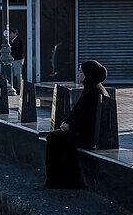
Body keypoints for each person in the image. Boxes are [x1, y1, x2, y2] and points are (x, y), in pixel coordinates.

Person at [45, 60, 109, 189]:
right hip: (81, 130)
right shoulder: (91, 88)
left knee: (55, 141)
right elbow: (79, 112)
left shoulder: (93, 91)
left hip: (85, 134)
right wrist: (67, 123)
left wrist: (70, 126)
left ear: (88, 74)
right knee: (54, 138)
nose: (78, 74)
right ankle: (56, 180)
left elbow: (86, 117)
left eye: (81, 72)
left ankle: (60, 181)